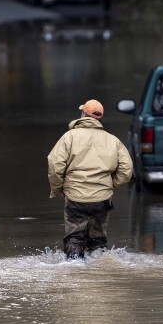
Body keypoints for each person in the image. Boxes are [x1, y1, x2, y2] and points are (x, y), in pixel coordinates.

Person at [47, 99, 133, 259]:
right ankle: (100, 266)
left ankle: (75, 265)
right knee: (98, 241)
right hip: (102, 199)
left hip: (75, 197)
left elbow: (55, 164)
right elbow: (127, 170)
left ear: (83, 114)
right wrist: (110, 185)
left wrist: (58, 188)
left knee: (74, 238)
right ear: (100, 118)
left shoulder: (69, 137)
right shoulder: (113, 140)